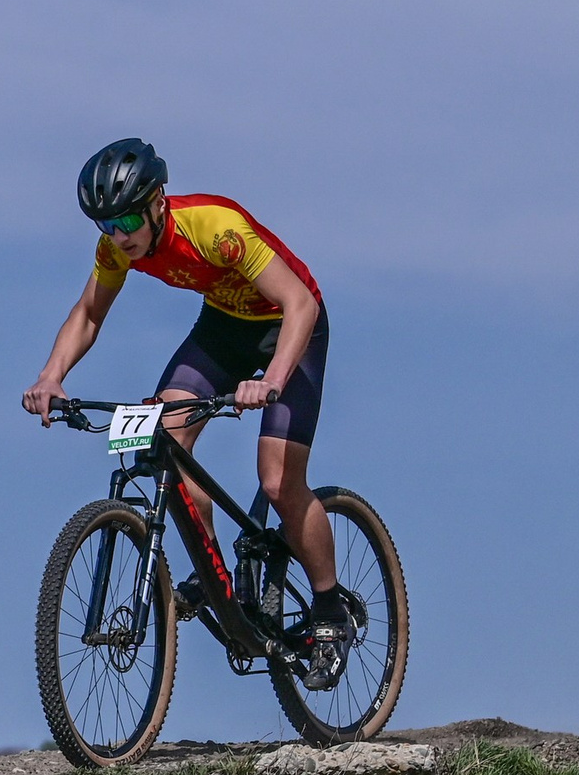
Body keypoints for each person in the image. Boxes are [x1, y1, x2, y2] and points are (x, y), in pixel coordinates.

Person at [21, 138, 349, 689]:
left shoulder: (213, 227)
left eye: (126, 219)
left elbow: (301, 304)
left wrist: (270, 381)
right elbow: (88, 314)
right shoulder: (117, 249)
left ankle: (329, 610)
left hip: (289, 328)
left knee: (277, 481)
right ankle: (217, 574)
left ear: (156, 203)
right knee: (161, 440)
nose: (119, 236)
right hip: (223, 331)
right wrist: (52, 375)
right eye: (105, 226)